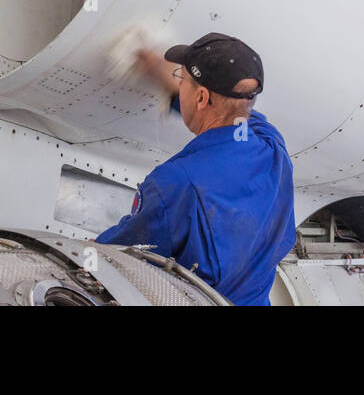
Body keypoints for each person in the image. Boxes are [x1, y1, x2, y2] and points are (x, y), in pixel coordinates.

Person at [96, 33, 296, 306]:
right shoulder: (272, 146)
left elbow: (115, 256)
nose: (179, 83)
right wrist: (153, 65)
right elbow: (233, 113)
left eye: (183, 79)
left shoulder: (175, 183)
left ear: (201, 97)